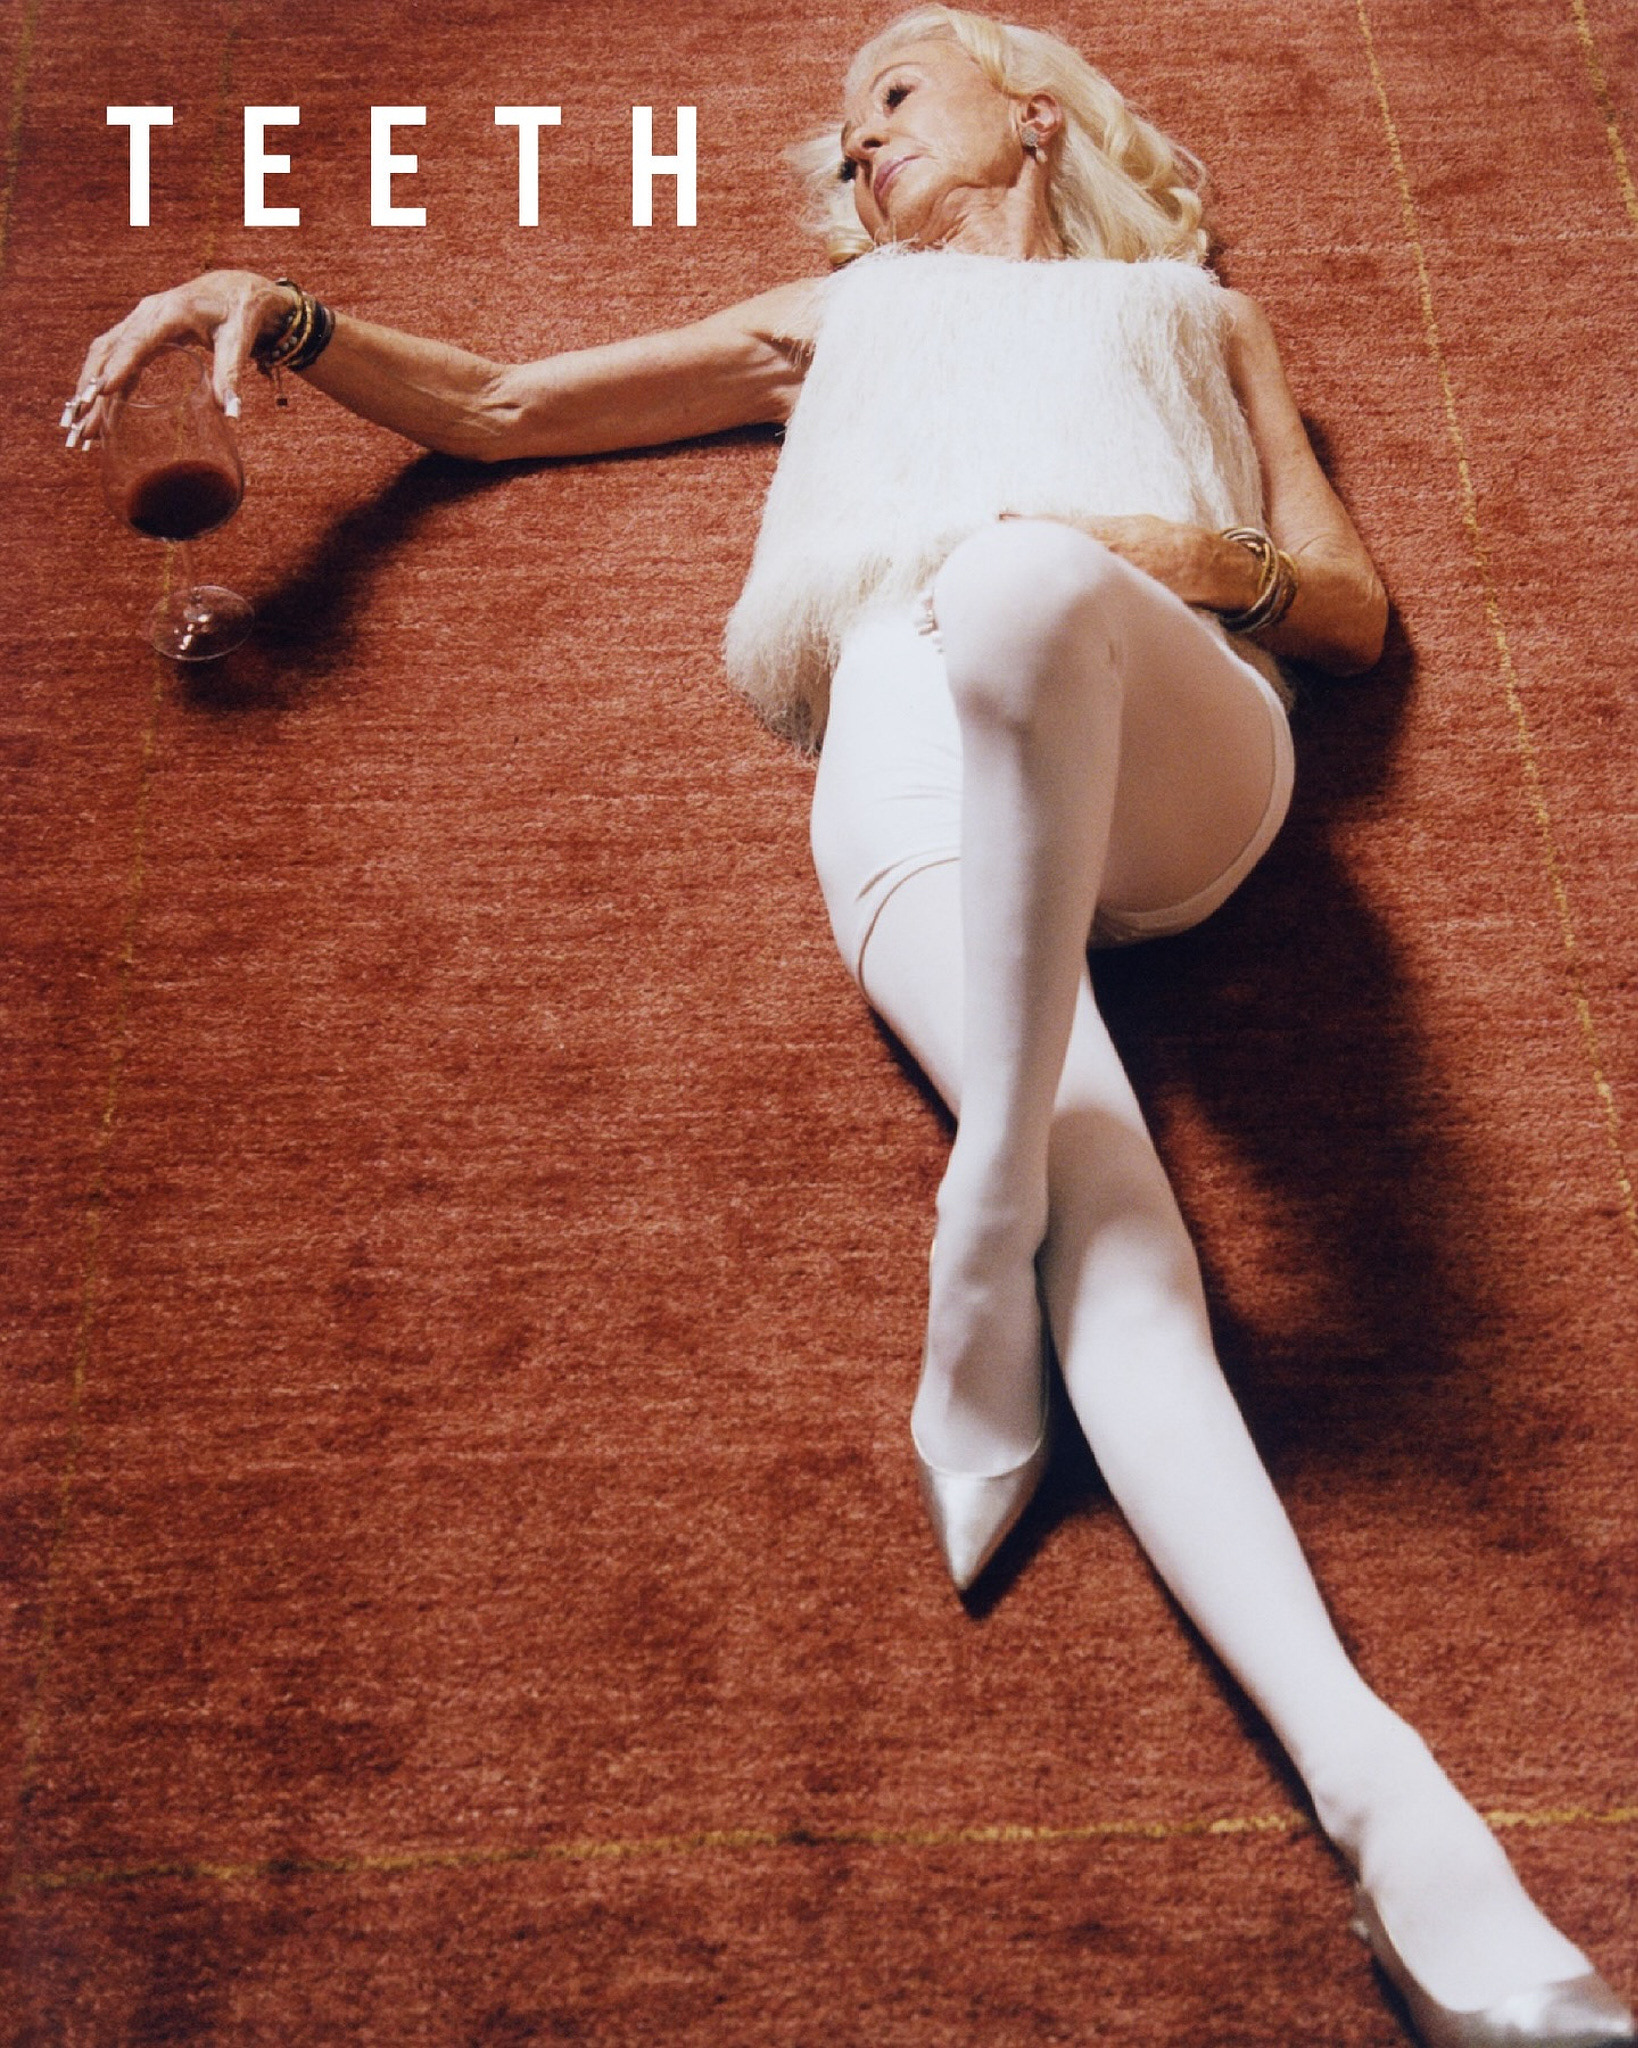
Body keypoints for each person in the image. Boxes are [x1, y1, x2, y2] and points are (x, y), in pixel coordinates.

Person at [64, 9, 1633, 2044]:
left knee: (1018, 590)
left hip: (1163, 719)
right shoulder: (837, 317)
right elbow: (504, 404)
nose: (858, 136)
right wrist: (275, 306)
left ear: (1032, 116)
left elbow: (1346, 612)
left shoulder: (1191, 315)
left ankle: (981, 1215)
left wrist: (1173, 554)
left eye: (895, 92)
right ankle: (1392, 1808)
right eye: (847, 123)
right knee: (1116, 1213)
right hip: (904, 747)